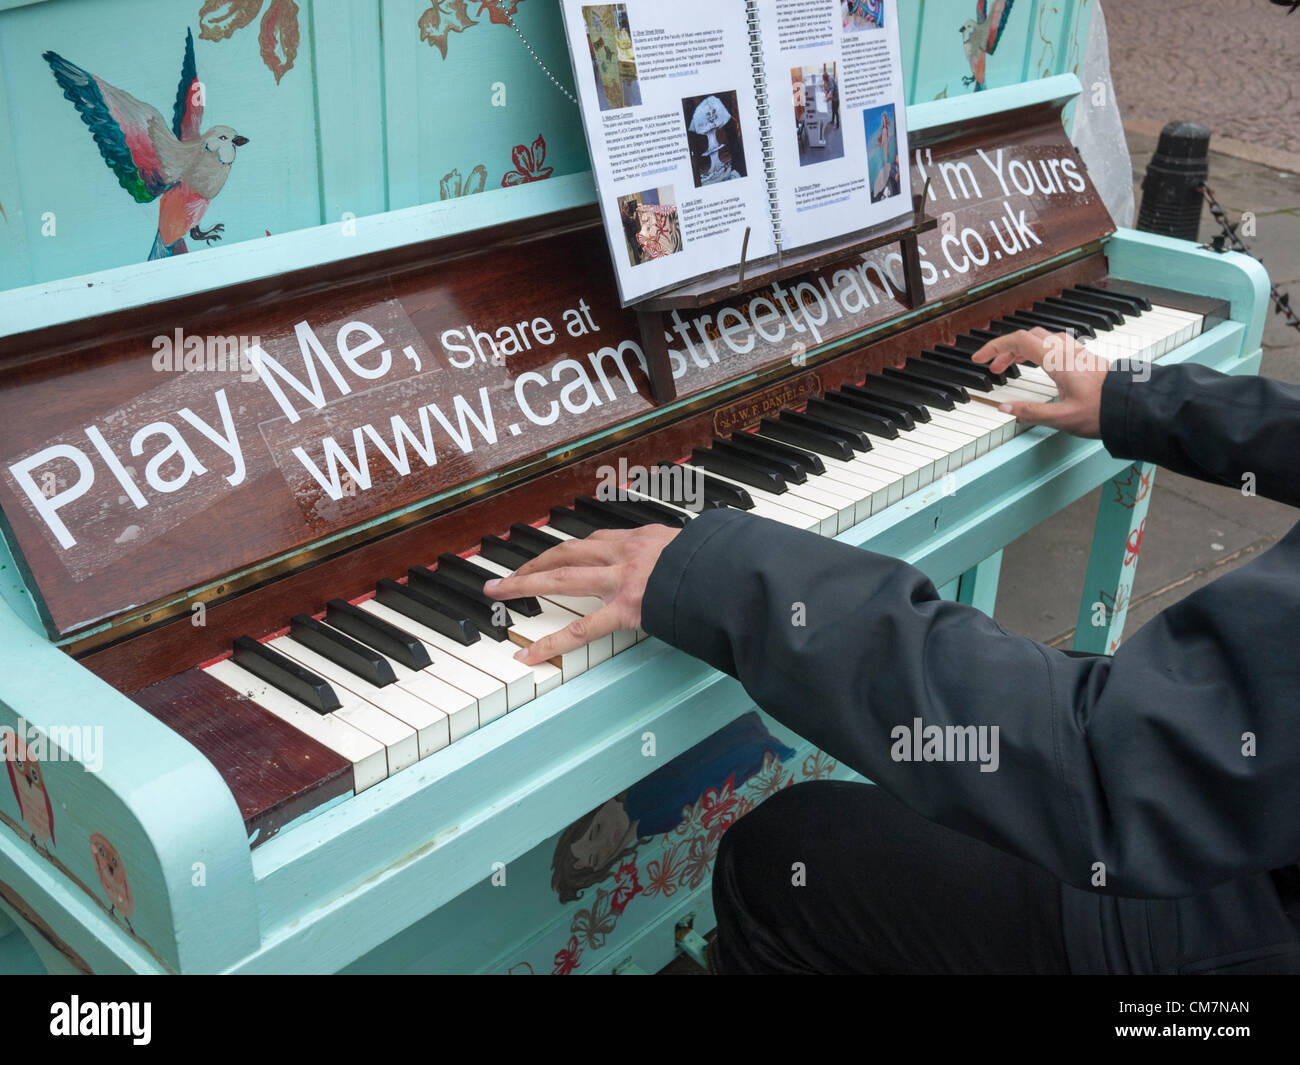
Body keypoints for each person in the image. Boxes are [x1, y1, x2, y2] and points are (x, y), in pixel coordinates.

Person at [484, 328, 1300, 974]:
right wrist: (1141, 399)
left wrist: (723, 578)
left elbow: (1114, 767)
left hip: (1233, 923)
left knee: (783, 854)